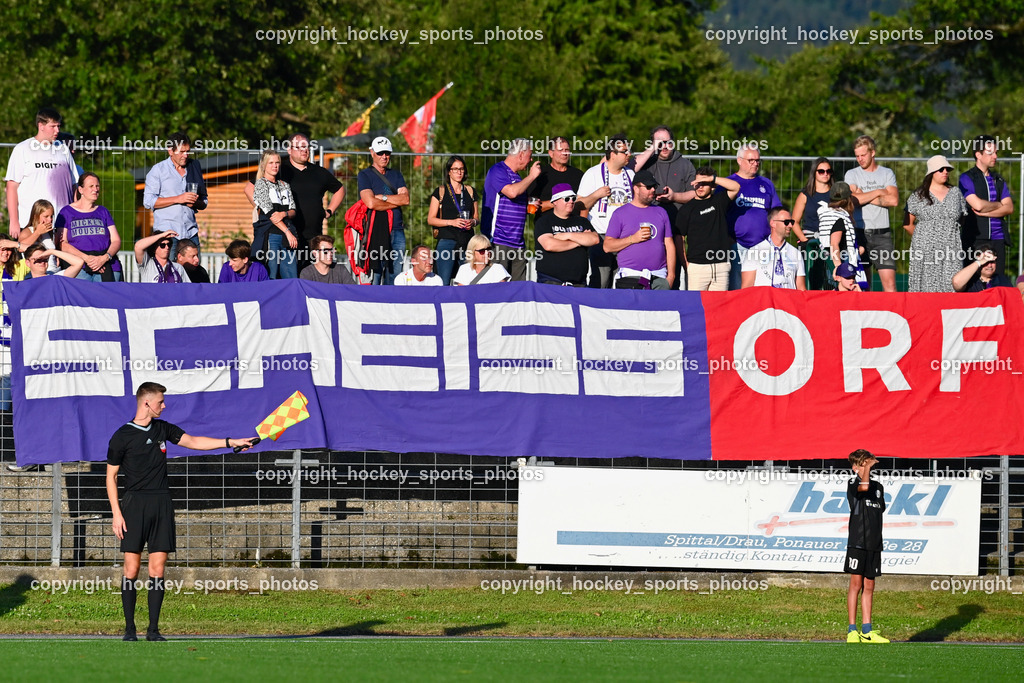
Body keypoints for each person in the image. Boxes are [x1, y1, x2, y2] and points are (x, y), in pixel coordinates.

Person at [106, 382, 255, 641]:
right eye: (161, 402)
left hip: (161, 504)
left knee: (158, 568)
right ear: (147, 403)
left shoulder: (163, 429)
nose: (164, 406)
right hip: (134, 505)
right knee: (131, 569)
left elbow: (194, 441)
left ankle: (153, 630)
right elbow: (111, 477)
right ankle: (130, 629)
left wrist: (232, 442)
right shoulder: (122, 436)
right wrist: (117, 514)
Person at [4, 107, 77, 240]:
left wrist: (76, 216)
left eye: (59, 126)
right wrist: (14, 221)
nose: (57, 131)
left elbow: (74, 185)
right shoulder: (22, 149)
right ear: (41, 126)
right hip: (31, 224)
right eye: (53, 126)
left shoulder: (63, 149)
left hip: (62, 224)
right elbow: (11, 186)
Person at [277, 133, 345, 270]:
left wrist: (330, 211)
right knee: (288, 279)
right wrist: (267, 212)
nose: (304, 150)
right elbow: (252, 188)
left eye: (306, 147)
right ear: (289, 150)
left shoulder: (319, 172)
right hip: (288, 236)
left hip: (314, 237)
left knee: (310, 278)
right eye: (299, 147)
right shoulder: (281, 171)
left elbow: (340, 189)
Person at [844, 448, 890, 644]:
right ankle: (852, 630)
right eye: (864, 465)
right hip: (858, 542)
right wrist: (866, 470)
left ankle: (867, 630)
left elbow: (880, 508)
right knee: (856, 584)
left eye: (869, 464)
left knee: (869, 586)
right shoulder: (854, 483)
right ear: (856, 468)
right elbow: (862, 487)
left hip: (874, 543)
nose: (869, 467)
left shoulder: (878, 486)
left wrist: (869, 469)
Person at [578, 135, 635, 288]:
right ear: (613, 154)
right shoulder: (593, 173)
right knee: (601, 280)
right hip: (601, 234)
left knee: (621, 280)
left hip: (625, 236)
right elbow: (579, 204)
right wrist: (596, 195)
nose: (629, 154)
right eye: (624, 151)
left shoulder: (630, 175)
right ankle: (594, 310)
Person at [602, 171, 675, 290]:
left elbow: (669, 244)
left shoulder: (661, 212)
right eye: (648, 187)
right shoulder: (620, 214)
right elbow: (607, 246)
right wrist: (632, 239)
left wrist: (671, 276)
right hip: (630, 277)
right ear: (636, 188)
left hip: (658, 277)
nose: (652, 190)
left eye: (654, 187)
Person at [482, 139, 541, 281]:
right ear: (521, 155)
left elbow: (513, 199)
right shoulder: (497, 170)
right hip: (498, 240)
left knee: (518, 290)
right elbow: (512, 192)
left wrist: (527, 206)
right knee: (497, 288)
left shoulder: (517, 176)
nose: (531, 159)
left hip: (518, 242)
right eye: (530, 155)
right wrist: (532, 176)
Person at [906, 156, 968, 293]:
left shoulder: (956, 193)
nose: (945, 171)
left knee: (952, 286)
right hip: (925, 250)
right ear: (931, 173)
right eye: (941, 169)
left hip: (951, 249)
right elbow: (907, 224)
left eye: (947, 169)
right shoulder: (918, 195)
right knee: (925, 288)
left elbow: (963, 219)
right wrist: (924, 239)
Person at [143, 132, 208, 259]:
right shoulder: (158, 170)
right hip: (167, 236)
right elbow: (148, 201)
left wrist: (195, 203)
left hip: (190, 234)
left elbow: (204, 202)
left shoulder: (194, 167)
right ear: (170, 151)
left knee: (192, 275)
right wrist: (178, 199)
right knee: (168, 276)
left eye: (187, 151)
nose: (186, 155)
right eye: (181, 151)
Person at [845, 136, 898, 292]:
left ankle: (894, 315)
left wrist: (864, 196)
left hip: (882, 234)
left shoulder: (887, 173)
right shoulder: (852, 174)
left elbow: (893, 200)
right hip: (859, 233)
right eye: (857, 156)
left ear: (872, 152)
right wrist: (878, 192)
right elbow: (852, 200)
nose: (860, 159)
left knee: (890, 286)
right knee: (863, 286)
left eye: (863, 155)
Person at [674, 166, 740, 291]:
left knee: (719, 308)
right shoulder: (686, 209)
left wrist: (712, 178)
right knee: (697, 307)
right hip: (697, 267)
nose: (700, 187)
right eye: (698, 183)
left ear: (712, 185)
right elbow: (679, 237)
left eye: (704, 184)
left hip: (721, 266)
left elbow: (736, 187)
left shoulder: (719, 201)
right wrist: (685, 264)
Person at [727, 144, 782, 290]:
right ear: (739, 160)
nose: (755, 163)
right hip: (737, 245)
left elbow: (776, 213)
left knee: (761, 288)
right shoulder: (729, 183)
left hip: (762, 246)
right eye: (751, 160)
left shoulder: (766, 184)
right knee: (737, 288)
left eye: (757, 160)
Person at [358, 136, 409, 285]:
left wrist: (384, 198)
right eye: (380, 153)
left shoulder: (396, 175)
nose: (384, 156)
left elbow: (406, 199)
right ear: (372, 152)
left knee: (395, 274)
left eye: (387, 153)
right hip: (376, 230)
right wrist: (395, 200)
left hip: (397, 229)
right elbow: (371, 203)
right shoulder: (365, 175)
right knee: (376, 273)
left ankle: (392, 304)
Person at [959, 135, 1014, 274]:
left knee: (998, 280)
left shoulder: (998, 179)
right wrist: (999, 204)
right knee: (974, 282)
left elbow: (1009, 207)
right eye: (990, 153)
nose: (995, 156)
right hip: (975, 238)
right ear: (978, 154)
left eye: (996, 152)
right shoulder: (966, 177)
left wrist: (986, 212)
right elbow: (977, 205)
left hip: (998, 238)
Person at [55, 172, 122, 282]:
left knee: (107, 298)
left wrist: (104, 258)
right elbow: (62, 243)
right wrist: (87, 259)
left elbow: (116, 240)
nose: (95, 189)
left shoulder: (103, 211)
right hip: (79, 267)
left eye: (97, 186)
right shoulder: (66, 212)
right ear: (80, 189)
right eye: (91, 186)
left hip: (107, 266)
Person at [534, 183, 599, 286]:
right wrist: (579, 242)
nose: (571, 201)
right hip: (551, 281)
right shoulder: (544, 222)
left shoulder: (582, 221)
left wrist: (568, 235)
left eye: (573, 198)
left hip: (579, 282)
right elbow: (549, 245)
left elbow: (594, 239)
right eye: (567, 199)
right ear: (555, 201)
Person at [631, 125, 696, 226]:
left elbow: (694, 193)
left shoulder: (685, 164)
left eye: (668, 142)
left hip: (677, 221)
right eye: (660, 143)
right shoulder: (646, 162)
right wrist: (653, 147)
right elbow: (631, 168)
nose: (664, 146)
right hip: (648, 221)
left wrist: (674, 196)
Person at [428, 155, 477, 285]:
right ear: (449, 171)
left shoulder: (470, 191)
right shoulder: (440, 191)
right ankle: (441, 304)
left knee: (467, 281)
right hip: (447, 240)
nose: (459, 172)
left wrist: (472, 222)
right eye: (455, 169)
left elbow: (476, 217)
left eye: (461, 169)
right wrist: (451, 222)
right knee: (443, 281)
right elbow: (431, 219)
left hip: (467, 241)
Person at [250, 150, 299, 279]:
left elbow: (293, 211)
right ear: (264, 165)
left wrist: (284, 213)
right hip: (272, 235)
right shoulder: (260, 184)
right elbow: (271, 215)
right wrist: (288, 232)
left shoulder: (285, 185)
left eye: (277, 162)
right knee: (270, 274)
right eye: (271, 163)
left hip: (288, 237)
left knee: (291, 275)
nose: (275, 166)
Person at [792, 157, 834, 289]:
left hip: (831, 243)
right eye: (821, 171)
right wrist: (805, 241)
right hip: (810, 243)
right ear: (814, 173)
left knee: (830, 281)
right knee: (810, 282)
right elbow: (794, 222)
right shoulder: (805, 195)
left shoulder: (836, 193)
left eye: (828, 171)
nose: (825, 174)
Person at [741, 208, 806, 289]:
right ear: (773, 223)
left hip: (788, 300)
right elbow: (746, 288)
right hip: (764, 300)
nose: (790, 225)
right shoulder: (754, 252)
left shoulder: (796, 253)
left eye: (791, 222)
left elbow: (801, 288)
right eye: (786, 222)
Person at [821, 182, 868, 291]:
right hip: (841, 264)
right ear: (849, 199)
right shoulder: (840, 217)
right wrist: (838, 268)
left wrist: (856, 250)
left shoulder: (827, 214)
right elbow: (834, 243)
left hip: (831, 259)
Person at [527, 136, 584, 213]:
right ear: (551, 153)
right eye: (560, 150)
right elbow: (530, 206)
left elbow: (584, 204)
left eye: (567, 150)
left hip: (573, 223)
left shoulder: (578, 175)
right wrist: (558, 202)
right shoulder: (541, 175)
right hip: (546, 222)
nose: (564, 153)